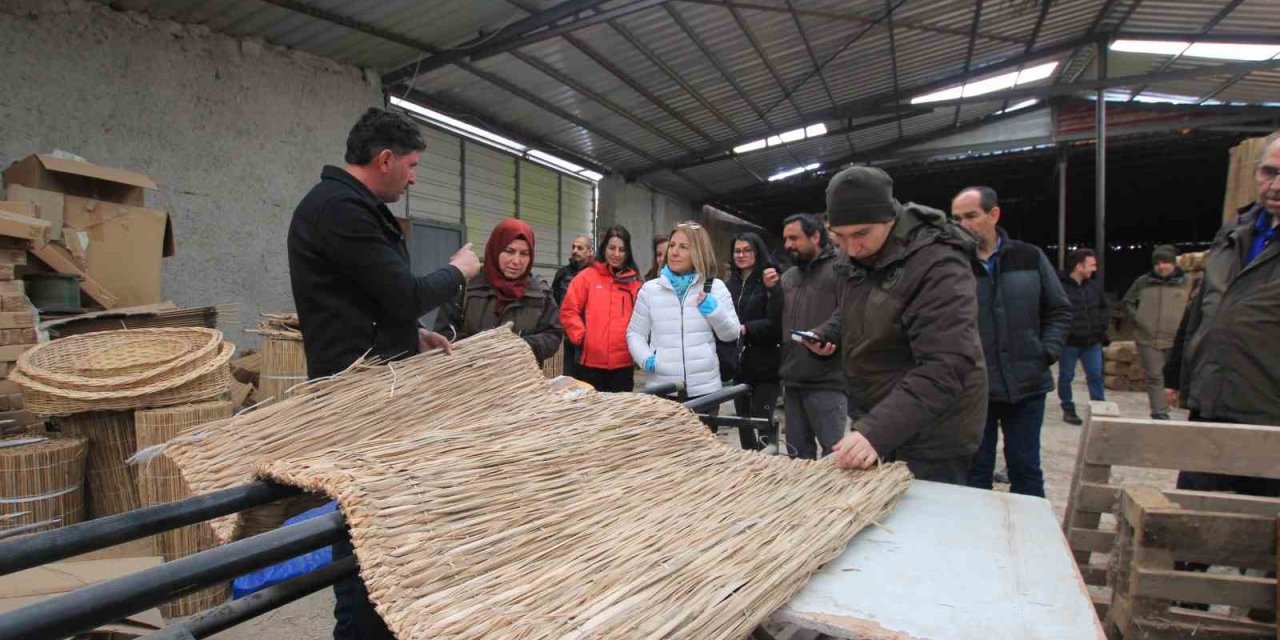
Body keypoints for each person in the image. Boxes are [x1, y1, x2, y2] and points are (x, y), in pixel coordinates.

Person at [288, 107, 480, 640]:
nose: (415, 177)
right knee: (363, 536)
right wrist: (457, 272)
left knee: (385, 531)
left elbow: (363, 300)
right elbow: (405, 292)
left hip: (375, 383)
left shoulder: (349, 207)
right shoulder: (340, 210)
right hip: (356, 401)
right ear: (385, 159)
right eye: (413, 165)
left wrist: (407, 336)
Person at [803, 167, 987, 484]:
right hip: (879, 414)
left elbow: (946, 365)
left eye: (861, 234)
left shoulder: (939, 263)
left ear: (890, 219)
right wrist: (829, 332)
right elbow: (858, 309)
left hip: (934, 431)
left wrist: (876, 431)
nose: (851, 248)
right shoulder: (856, 255)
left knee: (921, 525)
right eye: (839, 237)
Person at [1165, 129, 1280, 499]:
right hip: (1211, 405)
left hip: (1269, 415)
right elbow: (1202, 305)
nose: (1275, 185)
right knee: (1189, 526)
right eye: (1269, 172)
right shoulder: (1234, 232)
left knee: (1262, 535)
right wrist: (1175, 373)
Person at [951, 186, 1070, 497]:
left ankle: (1031, 542)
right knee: (975, 470)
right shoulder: (952, 265)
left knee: (1025, 467)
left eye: (971, 216)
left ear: (994, 215)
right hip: (975, 389)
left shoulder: (1029, 257)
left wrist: (1047, 351)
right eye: (957, 218)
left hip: (1027, 386)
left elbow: (1058, 308)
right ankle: (976, 541)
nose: (963, 224)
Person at [627, 221, 740, 402]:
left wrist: (715, 312)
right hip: (663, 388)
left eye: (683, 247)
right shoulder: (650, 290)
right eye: (672, 245)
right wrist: (646, 359)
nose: (674, 252)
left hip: (705, 389)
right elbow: (635, 333)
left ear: (698, 252)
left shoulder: (715, 288)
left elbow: (731, 334)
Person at [435, 218, 563, 366]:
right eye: (509, 251)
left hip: (521, 379)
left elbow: (552, 334)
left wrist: (517, 347)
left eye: (524, 254)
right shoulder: (466, 286)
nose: (516, 261)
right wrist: (481, 351)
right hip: (470, 377)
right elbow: (445, 332)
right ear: (495, 249)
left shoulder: (540, 292)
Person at [778, 214, 848, 459]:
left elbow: (849, 312)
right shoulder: (787, 278)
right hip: (793, 379)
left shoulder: (842, 269)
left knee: (836, 456)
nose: (788, 245)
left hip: (827, 378)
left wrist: (822, 334)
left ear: (815, 236)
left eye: (794, 238)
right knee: (797, 456)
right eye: (786, 239)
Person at [559, 226, 642, 392]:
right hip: (590, 365)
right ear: (604, 248)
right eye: (612, 248)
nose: (616, 254)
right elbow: (569, 310)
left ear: (628, 253)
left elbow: (643, 319)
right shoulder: (587, 277)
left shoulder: (635, 283)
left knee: (620, 414)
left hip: (623, 365)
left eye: (621, 249)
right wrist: (581, 337)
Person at [726, 231, 782, 451]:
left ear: (758, 252)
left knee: (762, 420)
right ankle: (748, 467)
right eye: (737, 251)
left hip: (766, 364)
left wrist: (745, 328)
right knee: (743, 422)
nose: (741, 255)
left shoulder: (769, 281)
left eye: (747, 250)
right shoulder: (729, 285)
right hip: (739, 365)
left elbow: (776, 323)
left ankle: (768, 466)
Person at [1122, 244, 1189, 420]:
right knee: (1154, 376)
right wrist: (1138, 318)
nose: (1161, 266)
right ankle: (1159, 412)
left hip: (1175, 338)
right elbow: (1128, 301)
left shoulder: (1187, 282)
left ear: (1174, 264)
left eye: (1165, 262)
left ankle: (1175, 406)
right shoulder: (1142, 282)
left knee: (1173, 376)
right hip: (1147, 337)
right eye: (1157, 263)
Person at [1058, 248, 1109, 425]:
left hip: (1092, 341)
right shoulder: (1059, 286)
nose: (1094, 269)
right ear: (1079, 266)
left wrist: (1101, 328)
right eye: (1091, 265)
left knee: (1095, 375)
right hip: (1069, 343)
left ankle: (1100, 409)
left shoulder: (1094, 286)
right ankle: (1068, 409)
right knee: (1066, 376)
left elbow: (1103, 308)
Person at [552, 234, 593, 378]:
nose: (575, 250)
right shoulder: (562, 274)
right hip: (569, 337)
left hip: (591, 338)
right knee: (570, 378)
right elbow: (555, 301)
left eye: (580, 248)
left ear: (590, 252)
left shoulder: (595, 275)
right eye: (573, 247)